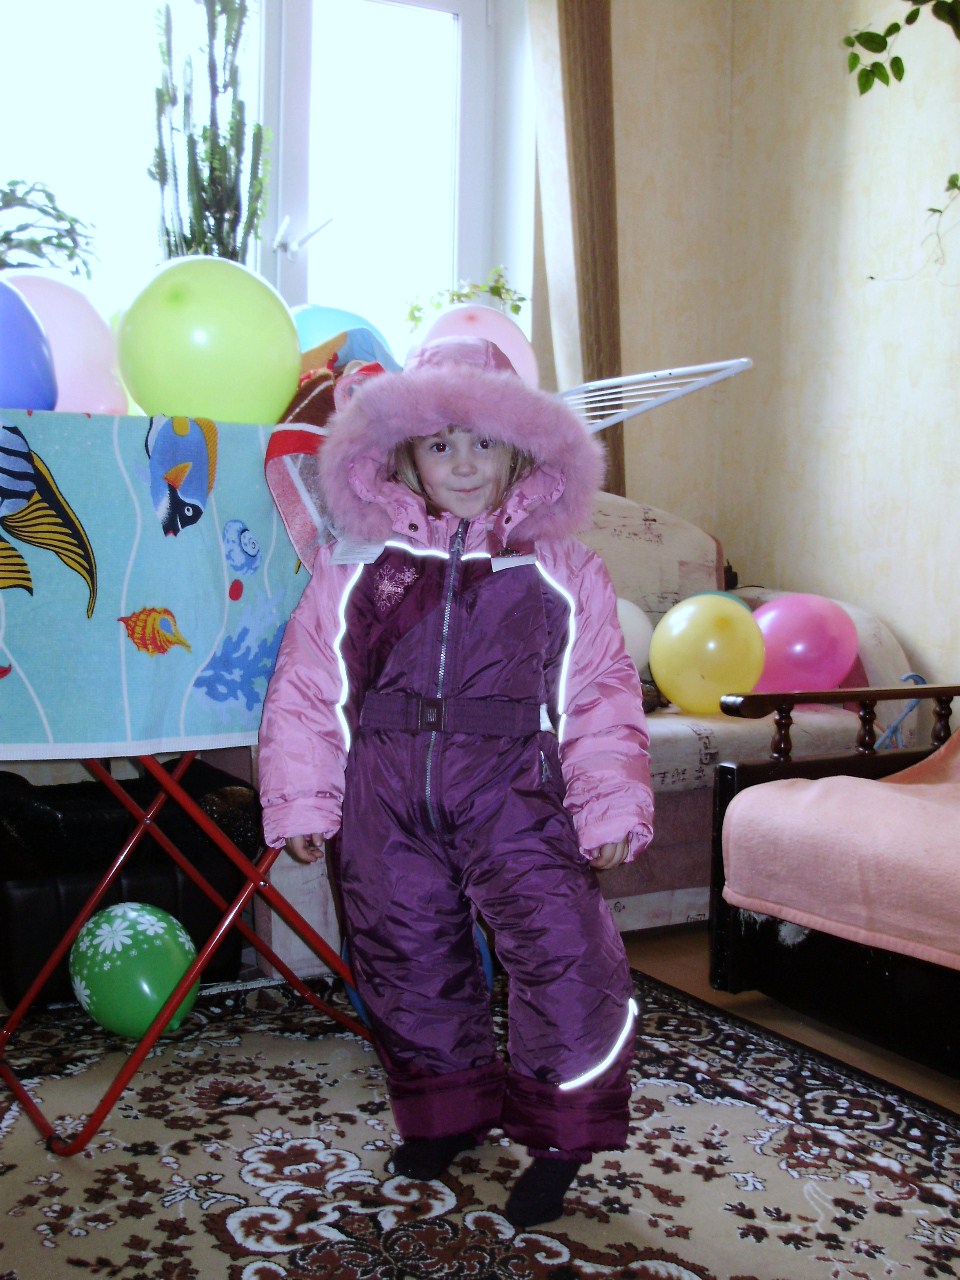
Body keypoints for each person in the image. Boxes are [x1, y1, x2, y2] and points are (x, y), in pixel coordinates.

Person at [258, 335, 654, 1229]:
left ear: (522, 452)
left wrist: (609, 806)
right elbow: (308, 684)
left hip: (513, 788)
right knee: (404, 955)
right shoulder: (362, 563)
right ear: (405, 454)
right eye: (441, 445)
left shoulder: (562, 568)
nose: (464, 465)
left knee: (565, 951)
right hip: (384, 792)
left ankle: (563, 1135)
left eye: (484, 443)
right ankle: (446, 1114)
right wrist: (304, 796)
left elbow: (599, 692)